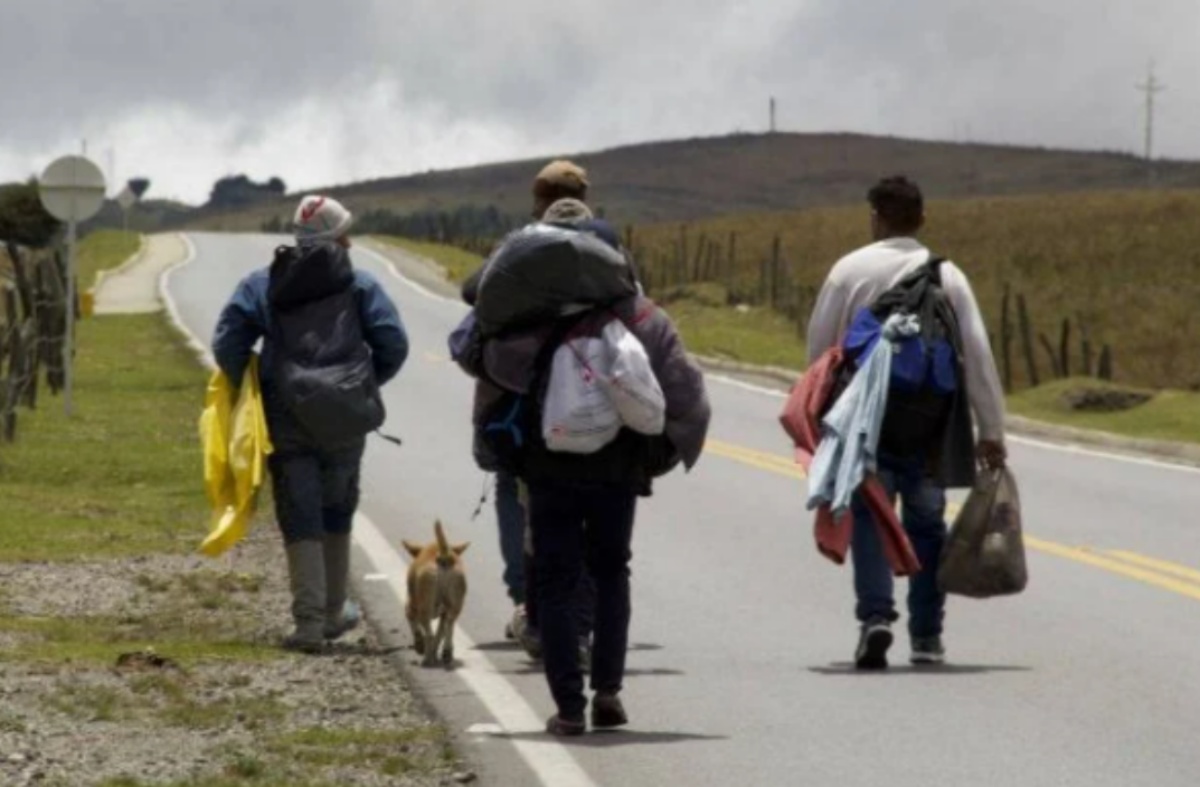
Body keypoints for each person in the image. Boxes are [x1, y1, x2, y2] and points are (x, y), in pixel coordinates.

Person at [806, 175, 1007, 669]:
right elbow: (977, 356)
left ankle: (875, 617)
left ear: (876, 216)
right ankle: (927, 635)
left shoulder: (849, 271)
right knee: (927, 523)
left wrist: (818, 414)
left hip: (866, 421)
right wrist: (992, 430)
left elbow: (820, 349)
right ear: (922, 220)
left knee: (872, 516)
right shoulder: (949, 276)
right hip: (932, 427)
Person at [212, 195, 409, 653]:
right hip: (345, 417)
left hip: (287, 414)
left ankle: (307, 626)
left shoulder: (261, 284)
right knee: (338, 509)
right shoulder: (360, 284)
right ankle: (335, 611)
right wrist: (359, 385)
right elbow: (393, 343)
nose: (351, 240)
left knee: (299, 514)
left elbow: (228, 345)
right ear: (337, 238)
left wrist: (257, 383)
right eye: (346, 232)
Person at [461, 160, 602, 662]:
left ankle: (528, 602)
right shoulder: (605, 249)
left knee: (514, 493)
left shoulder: (518, 245)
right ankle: (577, 613)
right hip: (589, 398)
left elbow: (471, 292)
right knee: (588, 503)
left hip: (520, 398)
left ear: (538, 199)